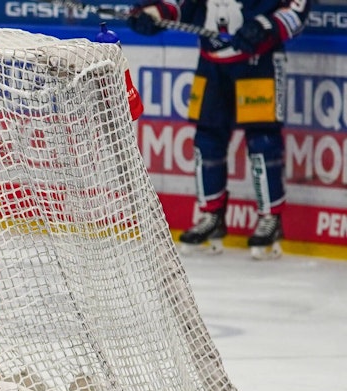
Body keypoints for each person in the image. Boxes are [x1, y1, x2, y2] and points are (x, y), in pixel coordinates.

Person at [128, 0, 312, 258]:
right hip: (211, 63)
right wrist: (152, 13)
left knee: (263, 142)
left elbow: (297, 8)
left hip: (259, 62)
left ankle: (271, 218)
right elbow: (178, 4)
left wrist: (266, 25)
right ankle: (211, 215)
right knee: (206, 140)